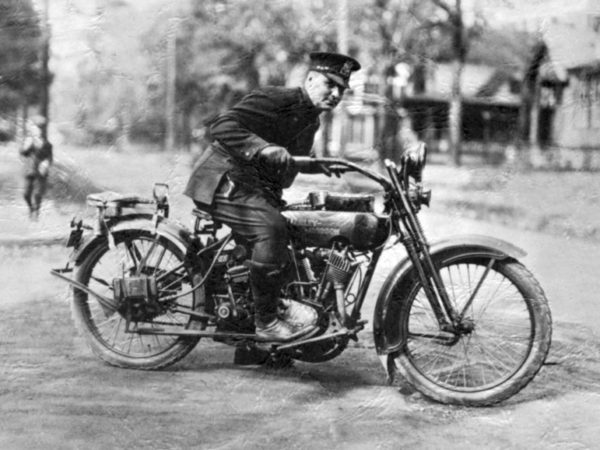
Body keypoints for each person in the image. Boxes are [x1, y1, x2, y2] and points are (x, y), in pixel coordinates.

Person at [184, 52, 361, 343]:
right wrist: (262, 148)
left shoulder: (311, 120)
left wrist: (316, 164)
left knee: (294, 230)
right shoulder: (279, 99)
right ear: (311, 79)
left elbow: (285, 160)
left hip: (250, 187)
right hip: (222, 180)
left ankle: (256, 335)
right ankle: (265, 322)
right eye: (330, 84)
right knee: (271, 229)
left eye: (341, 89)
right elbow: (222, 125)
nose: (335, 93)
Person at [20, 116, 53, 219]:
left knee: (38, 194)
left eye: (40, 128)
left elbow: (49, 158)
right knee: (26, 194)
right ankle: (31, 208)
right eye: (36, 128)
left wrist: (46, 163)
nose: (38, 130)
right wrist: (26, 145)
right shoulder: (29, 141)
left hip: (41, 172)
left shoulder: (47, 144)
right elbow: (23, 153)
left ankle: (36, 212)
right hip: (30, 170)